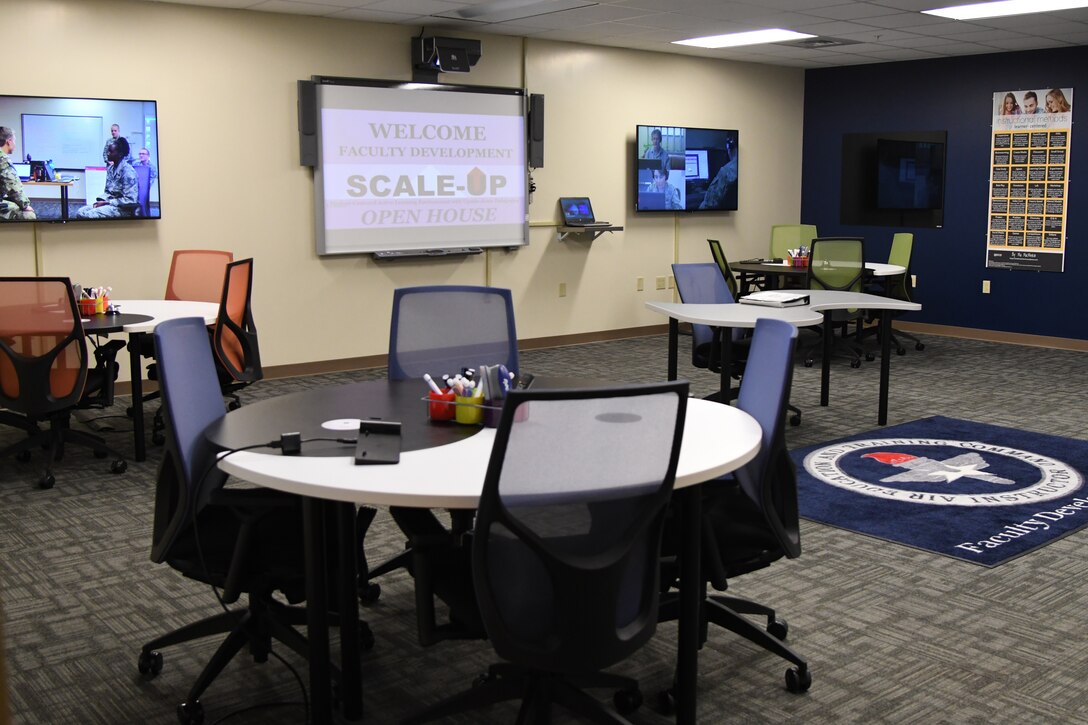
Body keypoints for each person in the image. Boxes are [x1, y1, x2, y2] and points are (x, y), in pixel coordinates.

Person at [75, 137, 138, 219]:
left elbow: (130, 201)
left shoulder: (128, 172)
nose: (107, 154)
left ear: (120, 154)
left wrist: (107, 203)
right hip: (110, 205)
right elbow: (108, 192)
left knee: (87, 215)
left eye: (111, 152)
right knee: (80, 212)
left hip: (122, 209)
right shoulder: (111, 169)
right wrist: (101, 202)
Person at [0, 126, 35, 221]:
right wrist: (25, 206)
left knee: (12, 203)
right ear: (9, 141)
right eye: (14, 141)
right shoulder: (2, 159)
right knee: (28, 215)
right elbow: (12, 186)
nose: (14, 145)